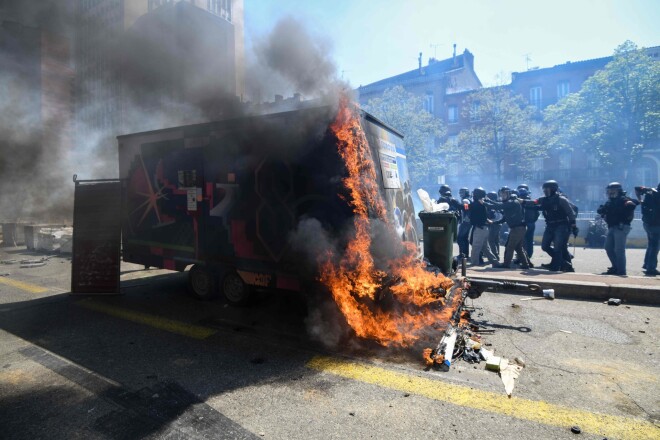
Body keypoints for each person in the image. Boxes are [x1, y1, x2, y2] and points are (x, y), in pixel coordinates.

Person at [523, 180, 577, 272]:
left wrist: (573, 226)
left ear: (553, 189)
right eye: (544, 189)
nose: (544, 191)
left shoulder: (561, 199)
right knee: (545, 246)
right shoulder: (543, 199)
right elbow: (534, 202)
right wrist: (523, 201)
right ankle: (564, 264)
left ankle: (556, 266)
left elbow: (570, 213)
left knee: (558, 248)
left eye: (546, 189)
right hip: (550, 226)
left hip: (561, 225)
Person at [597, 182, 638, 276]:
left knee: (619, 250)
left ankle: (621, 271)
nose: (611, 193)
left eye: (613, 191)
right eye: (609, 191)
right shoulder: (610, 201)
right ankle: (615, 267)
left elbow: (634, 203)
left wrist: (629, 203)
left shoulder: (623, 199)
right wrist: (602, 210)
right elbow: (601, 210)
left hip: (621, 227)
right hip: (611, 227)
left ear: (619, 191)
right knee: (608, 247)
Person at [488, 186, 531, 269]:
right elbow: (504, 218)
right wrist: (494, 222)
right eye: (501, 194)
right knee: (518, 248)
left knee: (510, 247)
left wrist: (486, 202)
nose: (503, 196)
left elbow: (498, 206)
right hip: (518, 228)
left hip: (518, 228)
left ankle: (506, 264)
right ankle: (526, 265)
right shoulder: (509, 203)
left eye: (505, 194)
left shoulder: (512, 202)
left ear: (509, 193)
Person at [468, 187, 499, 266]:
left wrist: (456, 203)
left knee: (476, 247)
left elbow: (466, 207)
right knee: (485, 248)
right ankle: (495, 262)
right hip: (484, 228)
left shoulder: (476, 204)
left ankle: (474, 263)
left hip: (480, 229)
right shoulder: (481, 203)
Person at [636, 183, 660, 276]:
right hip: (657, 224)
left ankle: (646, 264)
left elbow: (637, 189)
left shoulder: (650, 192)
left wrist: (640, 201)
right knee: (655, 247)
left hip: (647, 223)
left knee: (651, 245)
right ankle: (651, 268)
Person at [517, 184, 539, 258]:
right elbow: (537, 214)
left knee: (522, 241)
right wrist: (533, 220)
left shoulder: (520, 202)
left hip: (524, 224)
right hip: (531, 223)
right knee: (530, 240)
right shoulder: (532, 202)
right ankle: (528, 255)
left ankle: (523, 257)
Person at [456, 187, 472, 259]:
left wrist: (458, 205)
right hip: (468, 222)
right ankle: (465, 255)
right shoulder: (468, 199)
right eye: (460, 192)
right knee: (465, 239)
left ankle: (462, 255)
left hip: (465, 222)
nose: (460, 194)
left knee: (460, 238)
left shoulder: (465, 200)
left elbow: (466, 208)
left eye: (462, 192)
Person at [486, 191, 502, 260]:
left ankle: (495, 255)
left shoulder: (493, 205)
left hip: (494, 224)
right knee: (496, 241)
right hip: (498, 224)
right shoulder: (497, 203)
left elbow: (491, 216)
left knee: (491, 240)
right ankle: (497, 254)